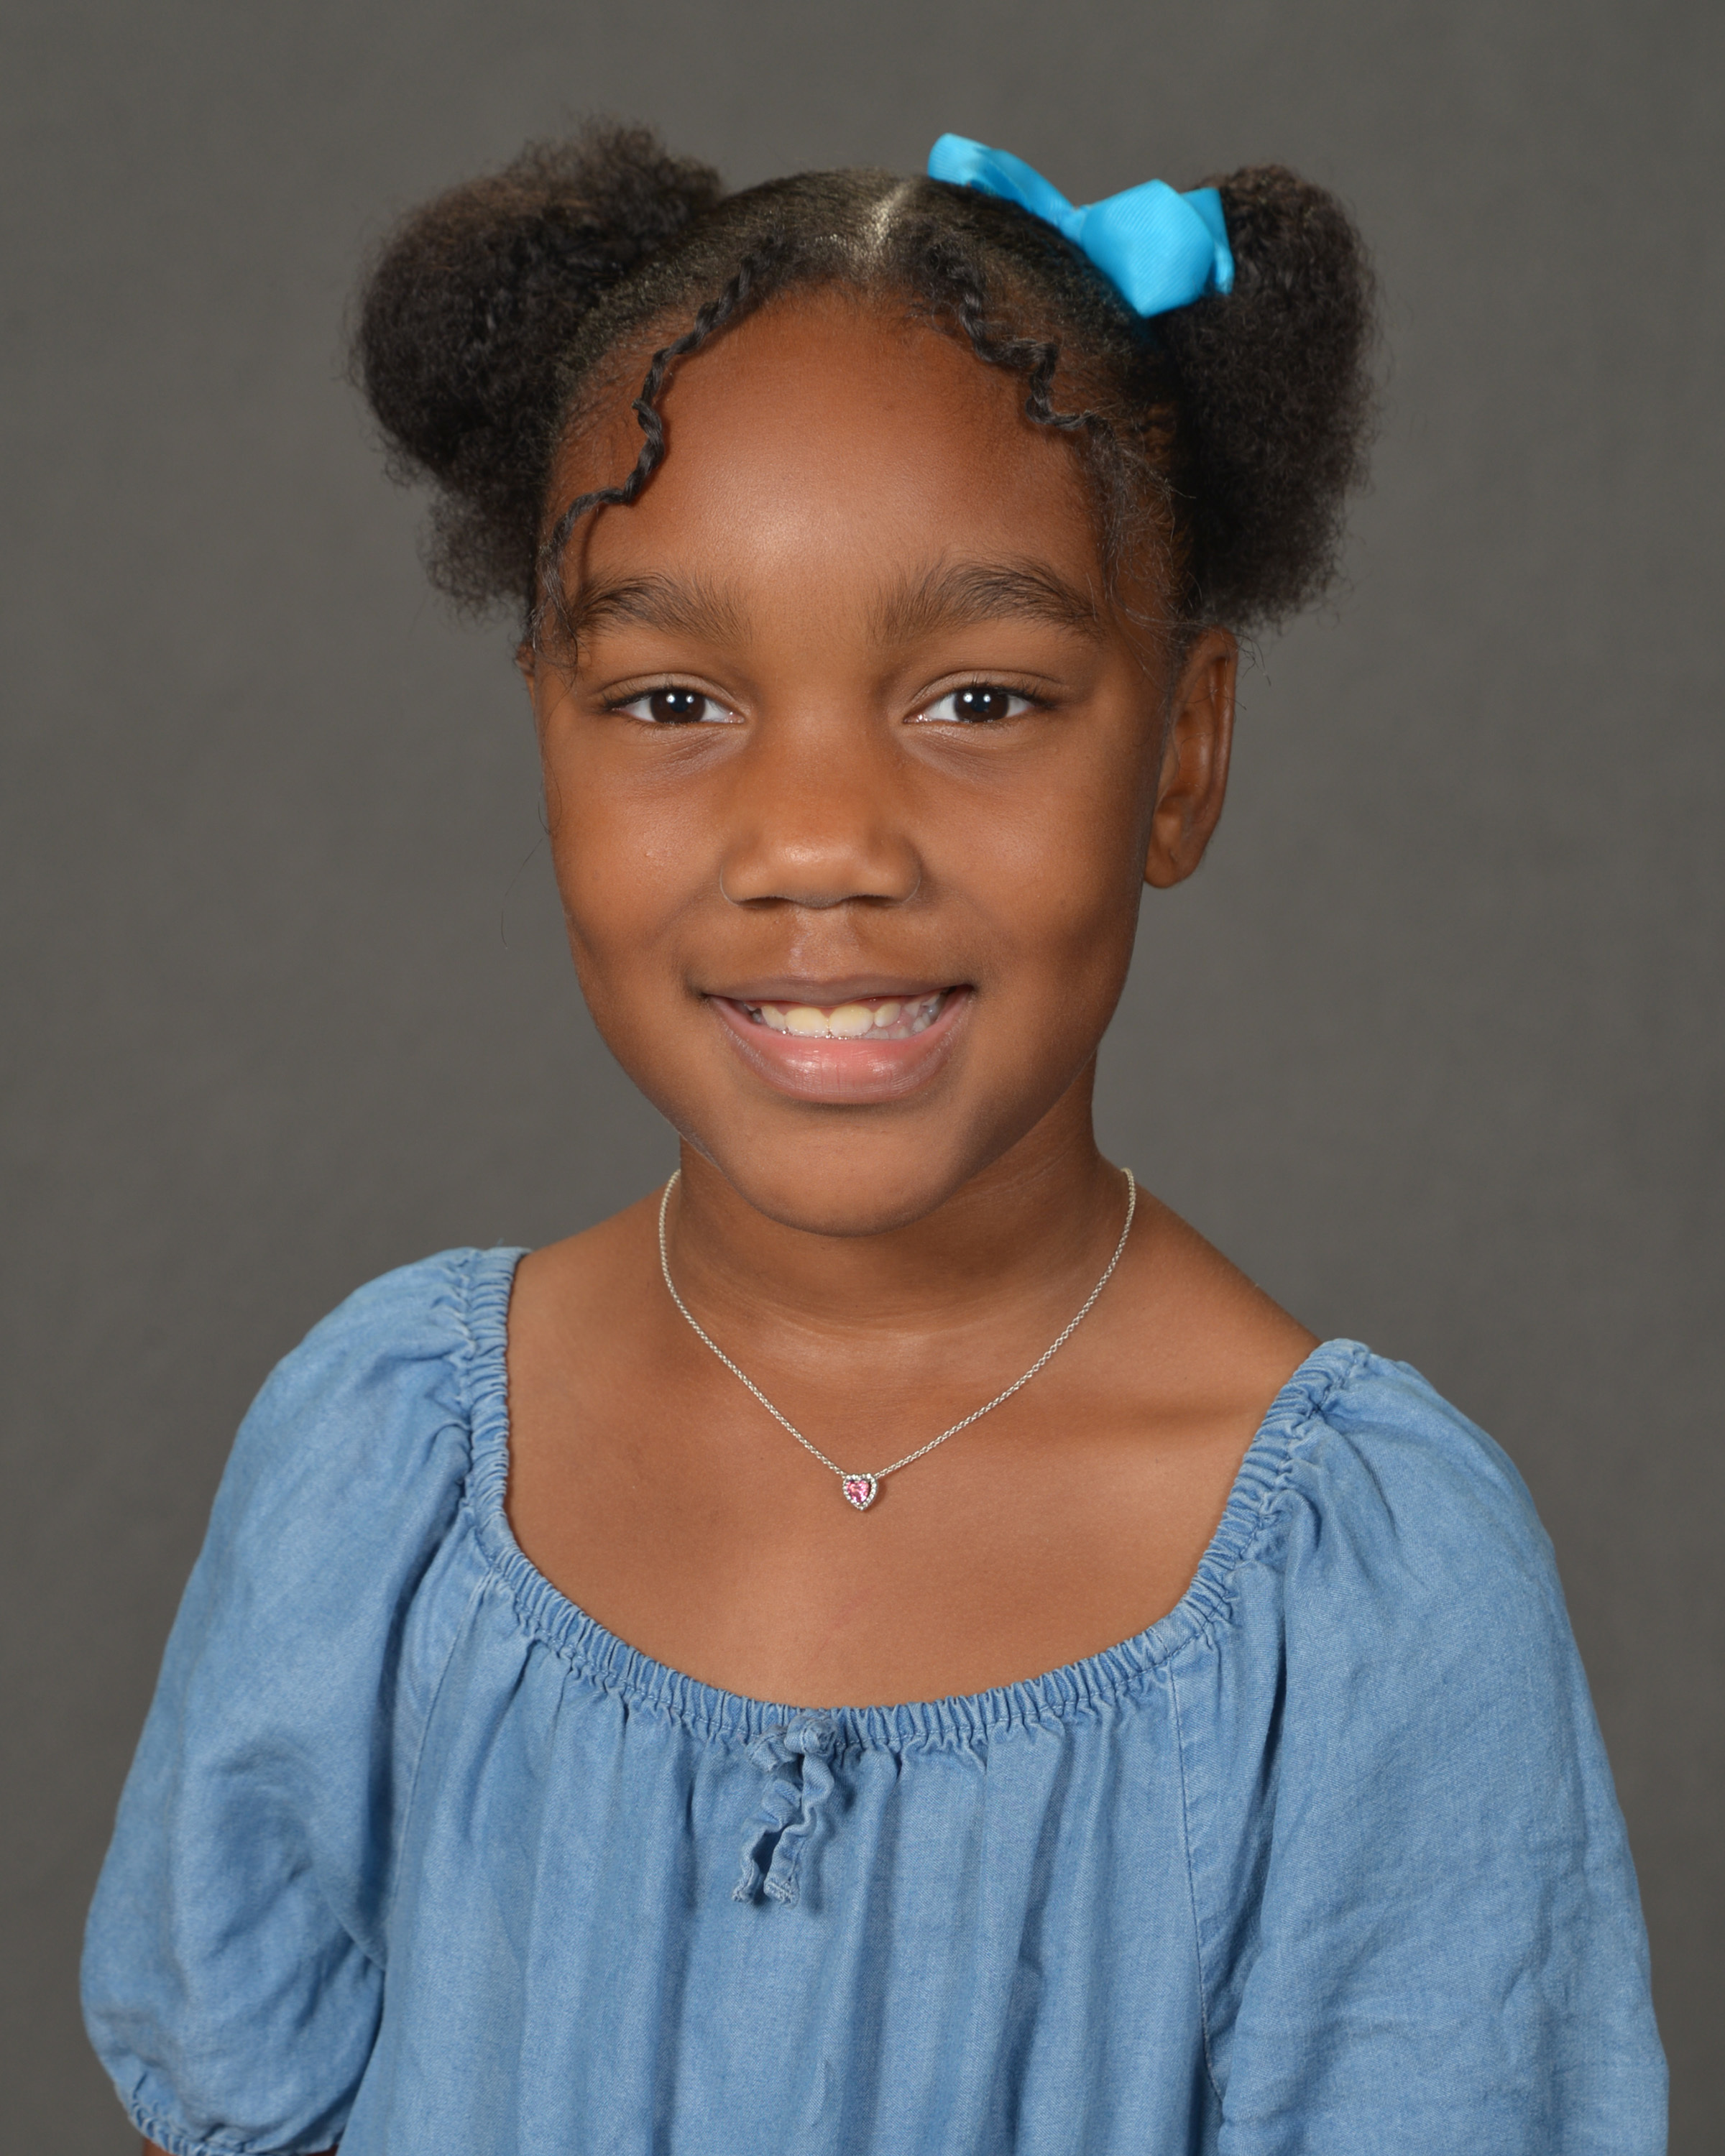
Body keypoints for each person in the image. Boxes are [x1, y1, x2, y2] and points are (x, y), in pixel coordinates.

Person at [82, 124, 1667, 2155]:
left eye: (981, 701)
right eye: (672, 703)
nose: (819, 844)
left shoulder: (1364, 1606)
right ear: (541, 726)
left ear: (1183, 755)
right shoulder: (380, 1476)